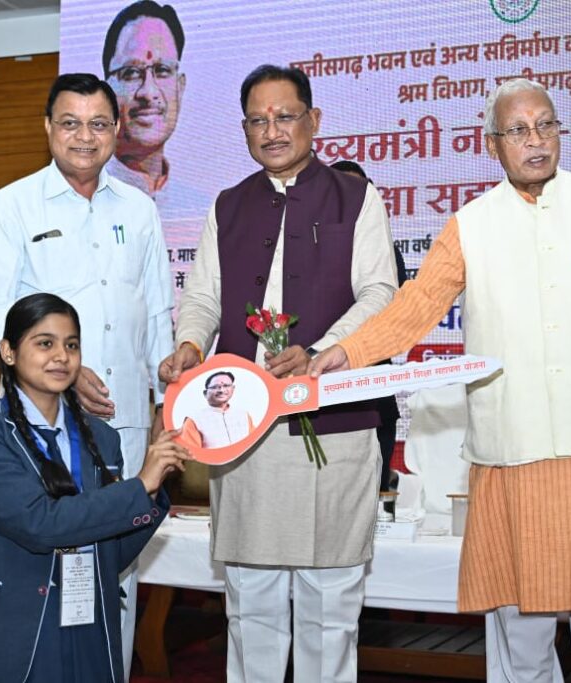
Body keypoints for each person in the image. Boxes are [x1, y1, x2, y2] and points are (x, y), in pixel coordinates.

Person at [310, 78, 571, 682]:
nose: (535, 140)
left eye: (545, 125)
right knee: (519, 621)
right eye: (518, 130)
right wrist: (345, 352)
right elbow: (415, 307)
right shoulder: (471, 224)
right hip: (513, 449)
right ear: (492, 145)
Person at [159, 64, 398, 682]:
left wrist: (320, 350)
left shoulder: (356, 197)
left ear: (314, 121)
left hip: (335, 425)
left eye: (285, 116)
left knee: (329, 607)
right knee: (252, 603)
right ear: (243, 129)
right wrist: (190, 343)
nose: (272, 130)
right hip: (245, 431)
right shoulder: (228, 205)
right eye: (257, 120)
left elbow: (380, 293)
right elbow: (203, 296)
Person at [0, 72, 174, 678]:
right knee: (44, 562)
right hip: (43, 422)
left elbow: (156, 310)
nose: (85, 136)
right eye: (70, 123)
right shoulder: (11, 205)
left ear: (116, 130)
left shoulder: (139, 208)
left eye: (98, 123)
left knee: (118, 559)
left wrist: (167, 403)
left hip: (124, 419)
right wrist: (66, 369)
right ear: (47, 128)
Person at [0, 293, 191, 683]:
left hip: (87, 622)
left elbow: (112, 551)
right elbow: (40, 524)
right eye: (45, 343)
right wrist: (140, 485)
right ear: (8, 351)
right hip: (10, 626)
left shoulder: (102, 438)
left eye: (71, 345)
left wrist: (154, 490)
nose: (61, 356)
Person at [329, 160, 408, 497]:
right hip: (323, 389)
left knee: (373, 493)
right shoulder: (306, 246)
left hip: (373, 385)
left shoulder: (384, 249)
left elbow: (396, 309)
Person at [102, 1, 185, 200]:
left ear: (180, 88)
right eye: (131, 73)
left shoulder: (201, 205)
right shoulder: (81, 199)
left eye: (162, 70)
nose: (148, 93)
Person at [181, 371, 256, 449]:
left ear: (233, 389)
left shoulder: (243, 415)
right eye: (215, 387)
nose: (221, 390)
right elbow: (192, 453)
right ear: (205, 393)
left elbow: (254, 444)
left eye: (226, 386)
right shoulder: (194, 420)